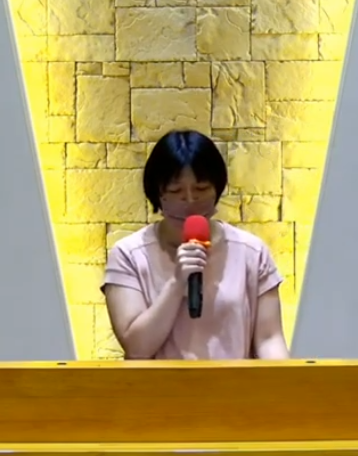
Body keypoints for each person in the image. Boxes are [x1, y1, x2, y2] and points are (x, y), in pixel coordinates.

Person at [102, 130, 290, 360]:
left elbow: (269, 339)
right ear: (157, 193)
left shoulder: (251, 252)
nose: (190, 201)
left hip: (233, 383)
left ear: (217, 189)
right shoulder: (128, 255)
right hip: (160, 384)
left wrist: (287, 379)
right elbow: (137, 348)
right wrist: (177, 283)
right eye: (175, 191)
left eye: (201, 189)